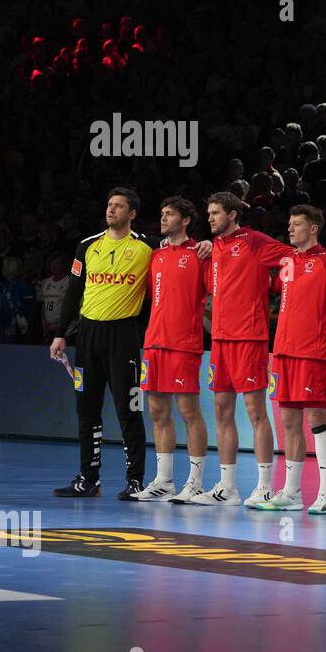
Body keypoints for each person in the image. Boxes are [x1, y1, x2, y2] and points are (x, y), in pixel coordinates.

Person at [50, 188, 153, 499]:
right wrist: (61, 333)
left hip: (123, 336)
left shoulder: (147, 247)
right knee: (87, 408)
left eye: (118, 206)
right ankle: (88, 478)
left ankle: (135, 480)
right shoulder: (86, 246)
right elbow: (72, 293)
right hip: (88, 336)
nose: (111, 210)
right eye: (109, 205)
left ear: (131, 213)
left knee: (129, 409)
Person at [193, 191, 294, 506]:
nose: (209, 219)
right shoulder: (213, 249)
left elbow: (293, 256)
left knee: (255, 411)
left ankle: (264, 486)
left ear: (233, 215)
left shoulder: (254, 242)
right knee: (222, 410)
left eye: (215, 213)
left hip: (250, 339)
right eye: (208, 213)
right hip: (220, 341)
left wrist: (321, 257)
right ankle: (228, 487)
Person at [255, 205, 326, 514]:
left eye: (296, 224)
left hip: (312, 351)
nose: (290, 229)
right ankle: (292, 492)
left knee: (316, 418)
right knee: (288, 420)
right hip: (283, 351)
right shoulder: (287, 261)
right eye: (289, 223)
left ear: (313, 229)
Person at [132, 198, 211, 502]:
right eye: (161, 213)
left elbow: (214, 295)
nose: (163, 218)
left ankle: (196, 482)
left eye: (169, 214)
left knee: (188, 411)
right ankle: (164, 481)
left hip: (184, 344)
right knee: (157, 411)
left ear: (186, 219)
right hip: (154, 343)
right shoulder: (156, 255)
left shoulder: (200, 253)